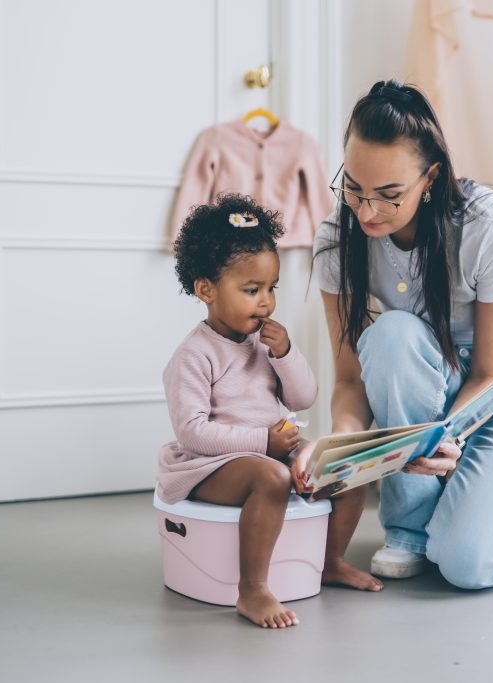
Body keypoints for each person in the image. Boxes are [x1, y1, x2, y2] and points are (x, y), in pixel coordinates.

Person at [298, 80, 493, 590]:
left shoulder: (487, 226)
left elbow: (489, 371)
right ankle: (409, 530)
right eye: (353, 188)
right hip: (440, 375)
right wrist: (342, 442)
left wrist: (449, 434)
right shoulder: (337, 240)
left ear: (430, 177)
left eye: (389, 195)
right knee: (392, 336)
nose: (367, 212)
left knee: (467, 564)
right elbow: (350, 380)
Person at [159, 194, 381, 630]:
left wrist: (285, 354)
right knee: (272, 477)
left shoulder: (263, 341)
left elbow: (304, 397)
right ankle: (253, 589)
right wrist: (263, 443)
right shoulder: (193, 356)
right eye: (251, 290)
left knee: (342, 466)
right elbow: (192, 433)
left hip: (270, 454)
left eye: (271, 288)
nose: (265, 302)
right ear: (206, 289)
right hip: (210, 465)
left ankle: (330, 562)